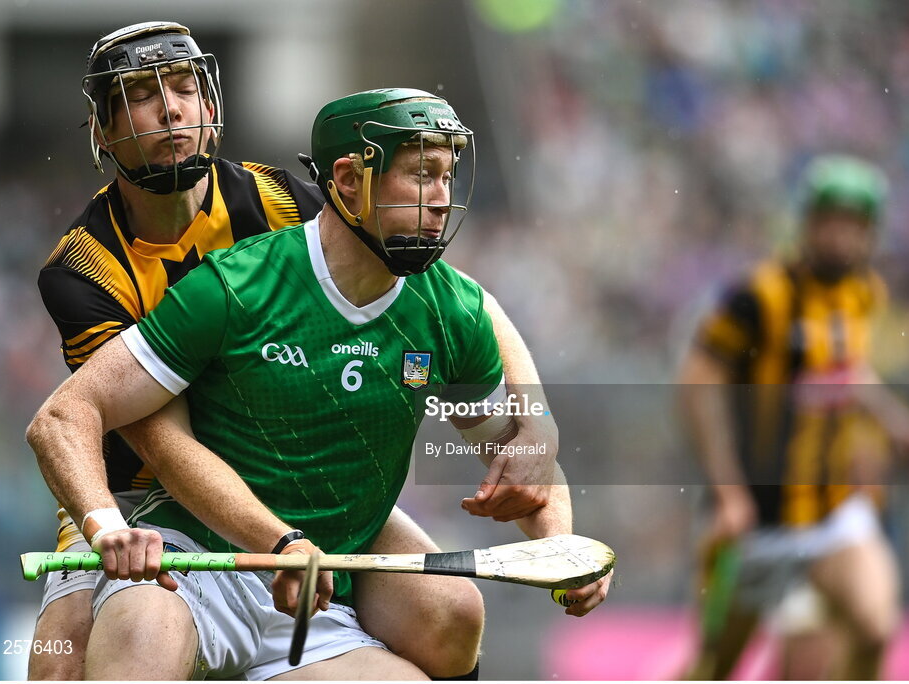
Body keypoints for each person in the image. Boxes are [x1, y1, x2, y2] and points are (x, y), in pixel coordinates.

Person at [29, 22, 560, 681]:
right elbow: (149, 432)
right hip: (136, 495)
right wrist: (258, 538)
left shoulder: (276, 199)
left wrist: (536, 422)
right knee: (62, 660)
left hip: (285, 470)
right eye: (142, 93)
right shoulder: (82, 267)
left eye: (186, 89)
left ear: (212, 107)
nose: (170, 108)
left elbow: (458, 296)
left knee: (451, 610)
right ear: (101, 132)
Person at [678, 155, 909, 680]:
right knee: (713, 667)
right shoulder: (758, 295)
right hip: (755, 518)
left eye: (854, 225)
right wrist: (728, 489)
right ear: (806, 223)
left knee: (875, 626)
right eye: (830, 222)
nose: (840, 238)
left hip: (831, 512)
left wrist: (895, 420)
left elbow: (844, 369)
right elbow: (698, 383)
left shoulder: (864, 293)